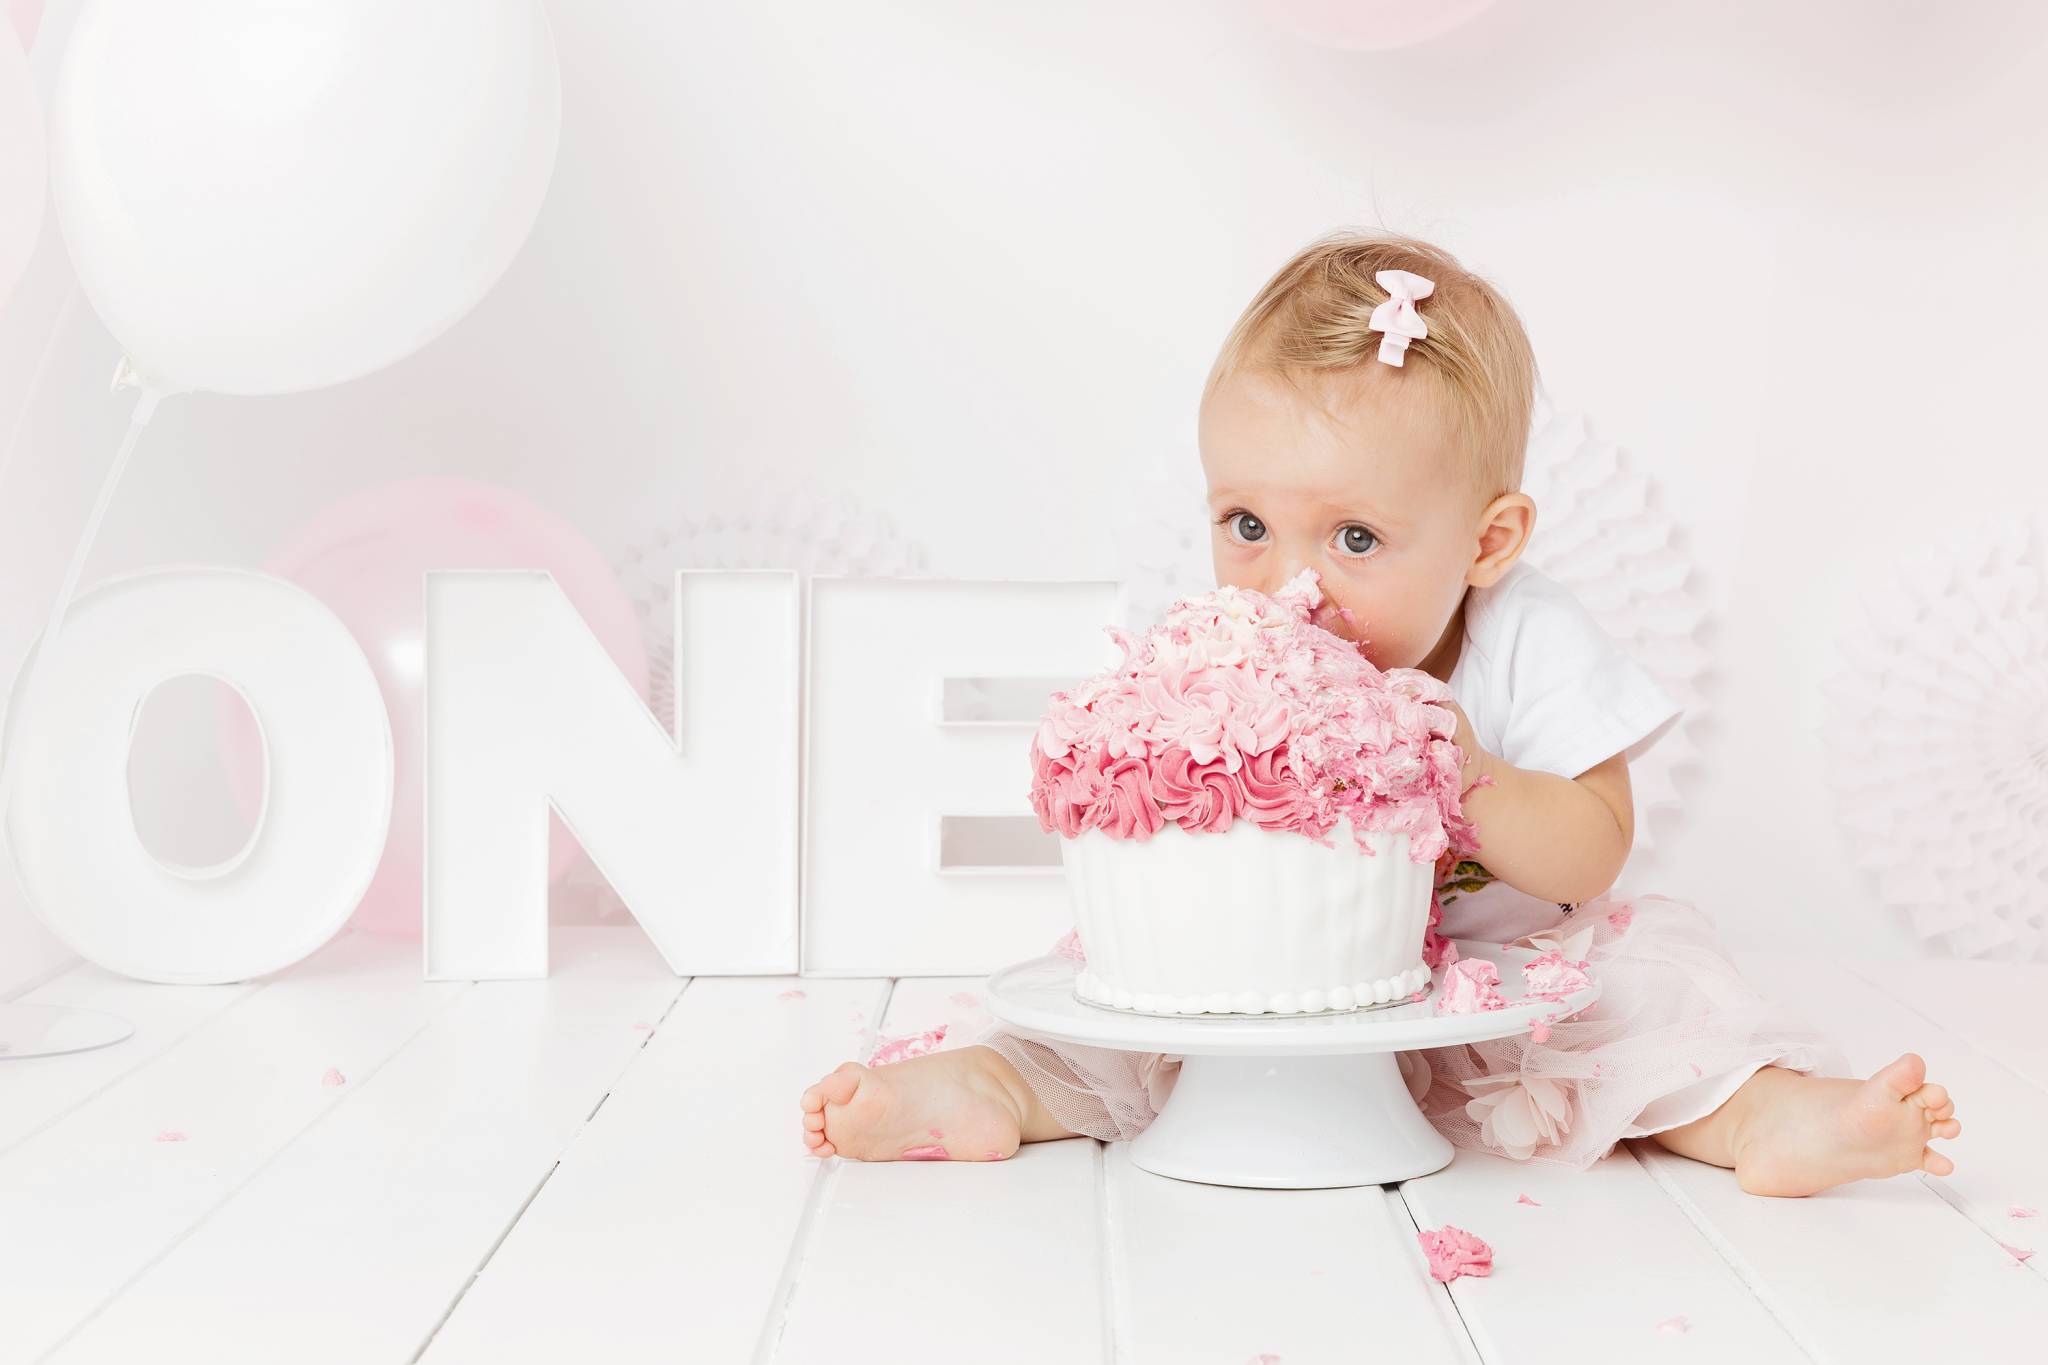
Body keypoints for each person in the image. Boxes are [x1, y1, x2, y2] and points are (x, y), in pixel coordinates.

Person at [798, 230, 1961, 1196]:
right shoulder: (1229, 652)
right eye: (1244, 525)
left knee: (1649, 992)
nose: (1283, 581)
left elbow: (1590, 854)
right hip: (1270, 979)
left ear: (1486, 541)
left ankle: (1765, 1118)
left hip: (1493, 980)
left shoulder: (1527, 638)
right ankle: (990, 1087)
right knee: (1117, 1007)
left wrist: (1471, 771)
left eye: (1354, 538)